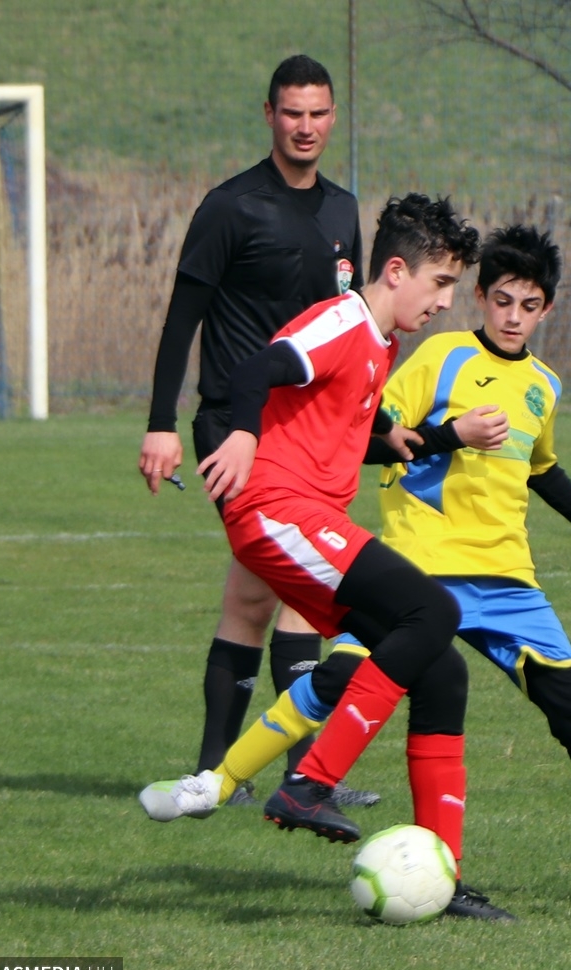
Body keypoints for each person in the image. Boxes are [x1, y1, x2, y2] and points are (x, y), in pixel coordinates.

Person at [143, 226, 571, 906]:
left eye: (529, 306)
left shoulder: (544, 385)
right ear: (482, 298)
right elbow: (373, 436)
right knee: (336, 680)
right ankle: (221, 784)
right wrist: (447, 435)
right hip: (421, 564)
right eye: (501, 300)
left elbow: (542, 470)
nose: (513, 316)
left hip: (509, 583)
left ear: (547, 309)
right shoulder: (438, 355)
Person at [140, 196, 511, 921]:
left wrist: (408, 437)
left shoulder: (378, 342)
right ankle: (309, 782)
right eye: (439, 283)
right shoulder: (342, 320)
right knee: (432, 610)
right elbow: (256, 370)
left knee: (442, 669)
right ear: (396, 270)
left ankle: (444, 875)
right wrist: (242, 434)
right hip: (277, 511)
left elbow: (340, 433)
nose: (445, 302)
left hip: (305, 517)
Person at [137, 55, 376, 806]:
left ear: (333, 117)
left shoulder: (343, 211)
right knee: (291, 587)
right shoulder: (231, 207)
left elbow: (351, 329)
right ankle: (292, 776)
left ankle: (240, 774)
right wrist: (161, 425)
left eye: (318, 113)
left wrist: (373, 426)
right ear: (269, 115)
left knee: (265, 597)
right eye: (292, 113)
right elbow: (181, 321)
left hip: (310, 431)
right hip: (231, 427)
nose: (305, 127)